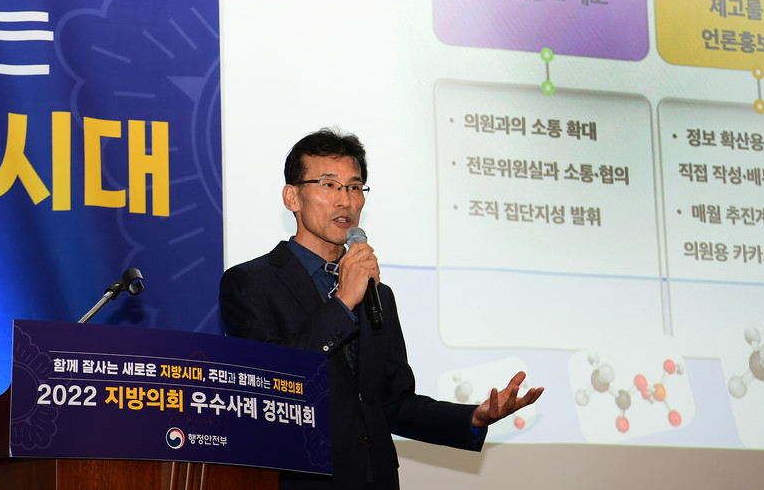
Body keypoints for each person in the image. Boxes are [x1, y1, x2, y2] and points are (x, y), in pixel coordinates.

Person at [219, 127, 543, 489]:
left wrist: (474, 417)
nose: (345, 201)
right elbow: (272, 383)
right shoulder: (250, 282)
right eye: (329, 185)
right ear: (292, 197)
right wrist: (343, 302)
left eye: (354, 187)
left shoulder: (378, 295)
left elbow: (393, 403)